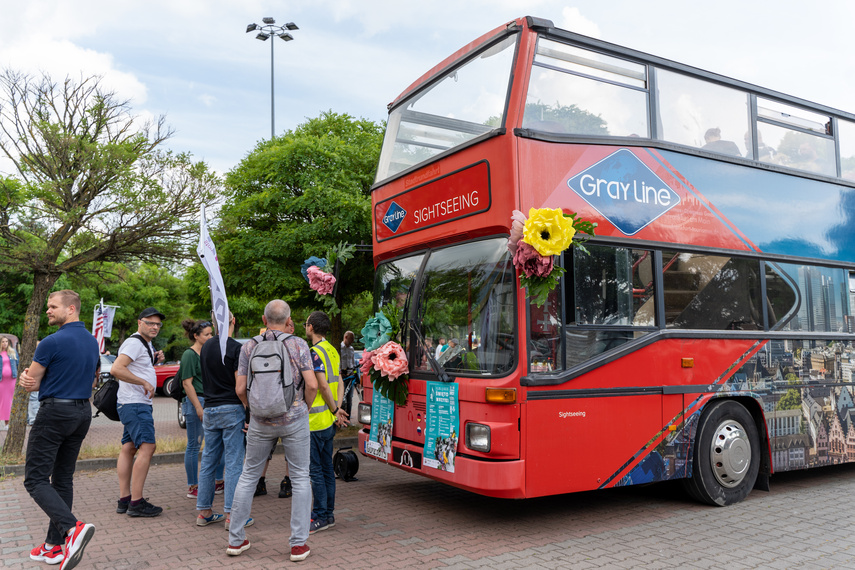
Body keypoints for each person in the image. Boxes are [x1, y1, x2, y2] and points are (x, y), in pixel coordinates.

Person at [227, 300, 318, 561]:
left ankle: (236, 540)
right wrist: (303, 408)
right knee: (301, 478)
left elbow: (240, 388)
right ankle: (298, 545)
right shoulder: (299, 344)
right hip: (294, 418)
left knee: (248, 476)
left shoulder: (249, 346)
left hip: (259, 421)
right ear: (289, 319)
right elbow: (311, 385)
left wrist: (252, 408)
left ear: (264, 320)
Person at [19, 290, 98, 569]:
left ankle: (72, 528)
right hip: (81, 413)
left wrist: (27, 381)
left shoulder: (50, 342)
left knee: (35, 479)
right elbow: (82, 377)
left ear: (71, 308)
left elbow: (31, 379)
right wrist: (37, 382)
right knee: (63, 479)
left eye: (53, 307)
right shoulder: (92, 342)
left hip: (54, 414)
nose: (48, 311)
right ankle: (53, 547)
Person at [195, 312, 251, 530]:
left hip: (210, 408)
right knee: (234, 461)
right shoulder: (237, 348)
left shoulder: (206, 347)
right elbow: (240, 384)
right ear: (233, 321)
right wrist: (248, 408)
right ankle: (232, 515)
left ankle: (204, 511)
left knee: (209, 460)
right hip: (231, 408)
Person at [111, 307, 166, 517]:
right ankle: (136, 502)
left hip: (131, 403)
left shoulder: (144, 344)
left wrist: (153, 361)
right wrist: (144, 382)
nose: (154, 327)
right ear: (139, 322)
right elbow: (117, 369)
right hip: (135, 405)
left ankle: (125, 499)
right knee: (148, 447)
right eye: (150, 323)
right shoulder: (134, 342)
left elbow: (135, 366)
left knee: (129, 447)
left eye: (157, 324)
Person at [305, 311, 349, 535]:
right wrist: (337, 410)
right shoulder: (332, 349)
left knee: (316, 472)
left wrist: (334, 409)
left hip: (315, 422)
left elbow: (321, 386)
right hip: (329, 422)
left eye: (306, 324)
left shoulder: (314, 353)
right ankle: (329, 514)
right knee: (326, 470)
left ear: (311, 327)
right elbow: (339, 381)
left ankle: (321, 515)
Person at [178, 318, 224, 499]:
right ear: (196, 336)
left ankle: (219, 481)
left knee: (216, 443)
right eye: (207, 334)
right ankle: (193, 486)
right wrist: (198, 407)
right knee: (194, 445)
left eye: (211, 333)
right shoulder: (189, 355)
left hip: (210, 401)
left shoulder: (208, 352)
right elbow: (187, 383)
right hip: (196, 402)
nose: (210, 337)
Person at [0, 336, 18, 430]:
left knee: (9, 401)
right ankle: (3, 422)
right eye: (3, 341)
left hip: (11, 380)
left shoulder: (13, 352)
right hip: (1, 381)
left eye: (6, 341)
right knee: (2, 401)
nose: (5, 343)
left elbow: (18, 364)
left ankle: (8, 423)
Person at [339, 330, 357, 416]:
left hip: (350, 377)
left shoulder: (351, 349)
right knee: (342, 398)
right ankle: (340, 418)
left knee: (349, 398)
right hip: (342, 377)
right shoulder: (339, 347)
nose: (352, 342)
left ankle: (348, 419)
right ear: (346, 337)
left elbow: (353, 362)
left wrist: (355, 373)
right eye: (351, 339)